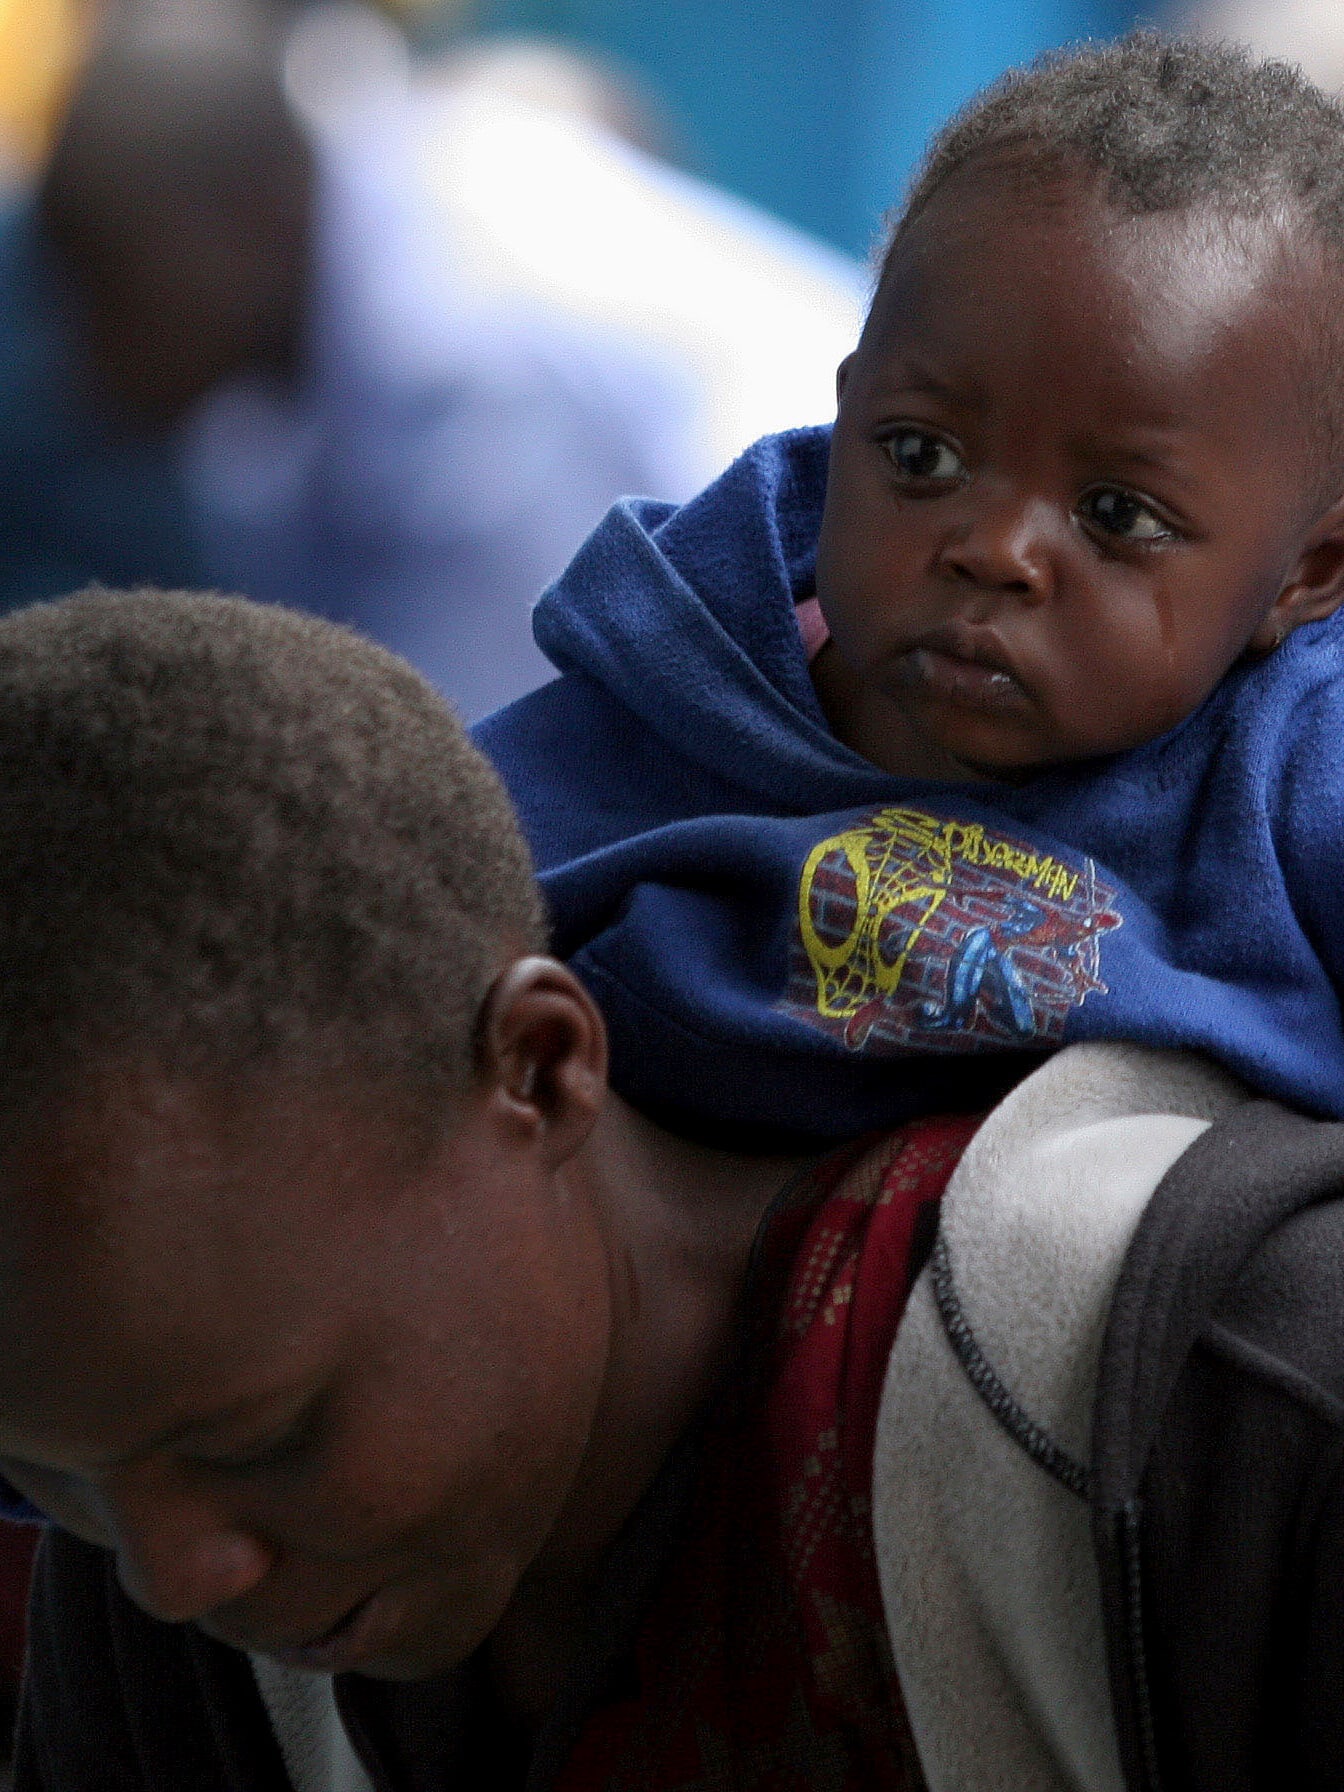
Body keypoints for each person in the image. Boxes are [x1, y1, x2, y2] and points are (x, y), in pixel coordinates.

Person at [0, 588, 1341, 1792]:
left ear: (540, 1069)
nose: (173, 1577)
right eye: (45, 1476)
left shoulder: (1216, 1411)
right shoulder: (163, 1554)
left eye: (266, 1439)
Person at [477, 31, 1344, 1147]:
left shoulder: (1295, 771)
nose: (993, 549)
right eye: (920, 454)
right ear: (846, 417)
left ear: (1307, 575)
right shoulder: (664, 700)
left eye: (1118, 516)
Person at [2, 24, 701, 719]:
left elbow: (520, 762)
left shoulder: (455, 348)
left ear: (247, 214)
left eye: (113, 284)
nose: (88, 353)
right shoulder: (296, 346)